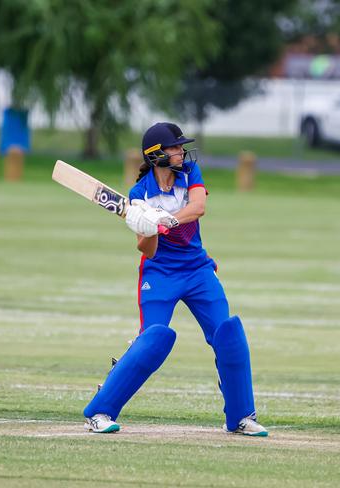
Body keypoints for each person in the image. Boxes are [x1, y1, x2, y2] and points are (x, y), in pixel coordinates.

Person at [82, 122, 267, 437]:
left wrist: (164, 219)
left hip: (197, 270)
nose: (182, 152)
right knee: (152, 339)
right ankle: (100, 412)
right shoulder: (139, 195)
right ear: (157, 155)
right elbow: (146, 249)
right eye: (175, 147)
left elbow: (198, 208)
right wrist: (148, 228)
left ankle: (240, 417)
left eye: (182, 147)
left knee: (228, 334)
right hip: (160, 273)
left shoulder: (190, 173)